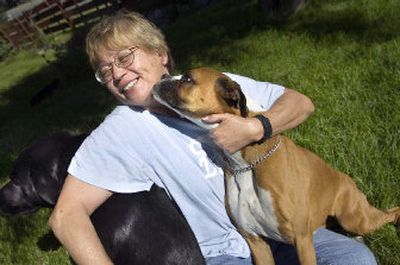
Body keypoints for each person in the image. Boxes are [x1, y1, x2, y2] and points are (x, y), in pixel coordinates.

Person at [48, 10, 377, 265]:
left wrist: (256, 127)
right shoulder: (121, 131)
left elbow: (301, 104)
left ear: (159, 53)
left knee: (355, 260)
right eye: (105, 71)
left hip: (284, 230)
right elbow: (66, 215)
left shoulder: (210, 84)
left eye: (124, 57)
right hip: (225, 253)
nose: (118, 74)